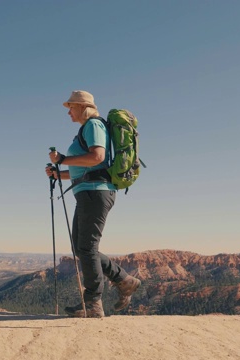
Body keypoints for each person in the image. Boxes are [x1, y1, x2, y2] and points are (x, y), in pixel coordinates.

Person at [45, 90, 141, 318]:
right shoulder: (86, 129)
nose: (68, 112)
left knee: (86, 247)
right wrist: (60, 174)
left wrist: (62, 160)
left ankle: (93, 303)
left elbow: (97, 157)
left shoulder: (93, 126)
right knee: (82, 248)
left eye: (71, 107)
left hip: (95, 193)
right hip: (88, 191)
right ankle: (124, 281)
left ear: (82, 107)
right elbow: (87, 168)